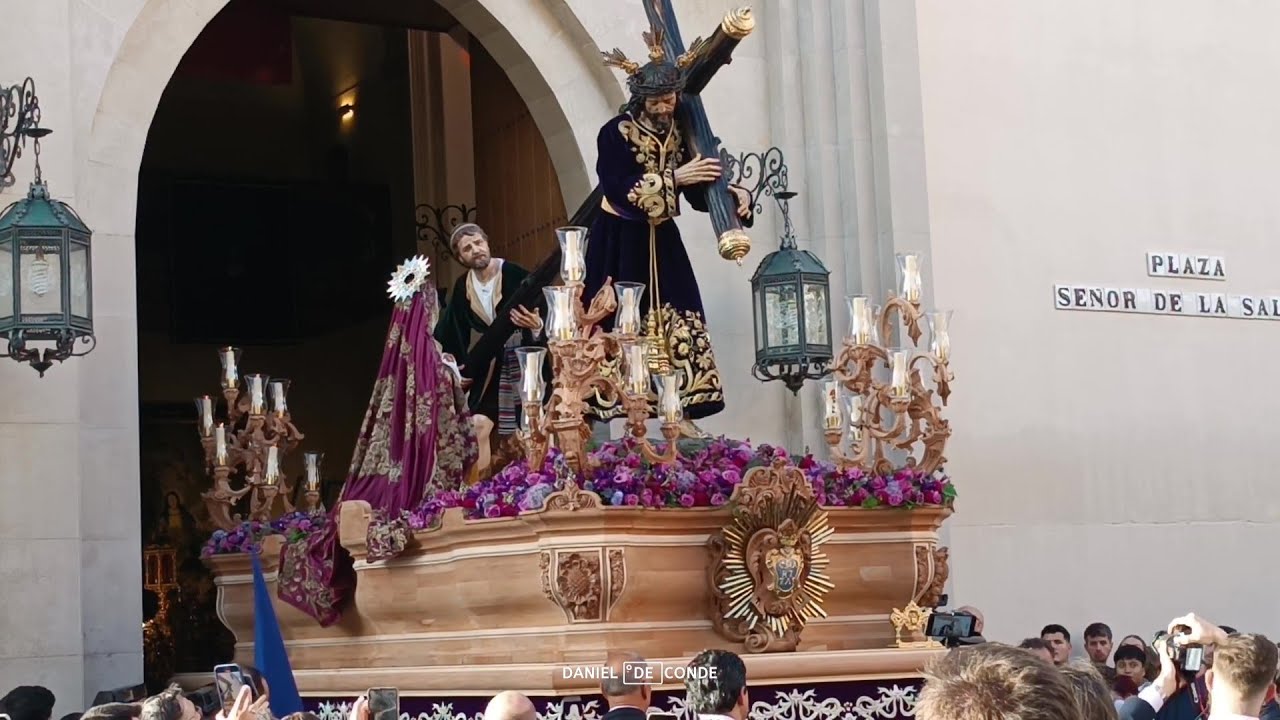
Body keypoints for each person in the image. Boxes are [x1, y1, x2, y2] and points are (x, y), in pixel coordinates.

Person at [277, 259, 478, 626]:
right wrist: (450, 377)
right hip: (418, 481)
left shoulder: (405, 365)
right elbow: (451, 426)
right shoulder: (434, 363)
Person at [589, 25, 754, 438]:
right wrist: (675, 177)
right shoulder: (615, 133)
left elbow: (698, 191)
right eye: (658, 100)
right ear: (640, 99)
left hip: (661, 240)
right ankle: (632, 415)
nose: (666, 106)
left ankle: (679, 409)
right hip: (620, 240)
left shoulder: (679, 128)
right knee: (626, 324)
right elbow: (618, 188)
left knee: (680, 316)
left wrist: (731, 197)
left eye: (671, 98)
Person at [434, 223, 545, 451]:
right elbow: (452, 332)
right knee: (478, 425)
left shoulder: (515, 274)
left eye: (478, 243)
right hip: (492, 364)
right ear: (460, 258)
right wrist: (455, 371)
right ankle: (478, 486)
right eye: (467, 248)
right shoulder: (463, 287)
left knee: (535, 427)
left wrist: (537, 326)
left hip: (527, 359)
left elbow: (546, 310)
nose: (475, 249)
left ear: (486, 242)